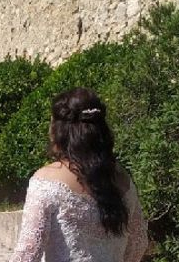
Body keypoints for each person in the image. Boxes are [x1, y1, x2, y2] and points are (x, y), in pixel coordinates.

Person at [10, 88, 148, 262]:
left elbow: (27, 254)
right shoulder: (122, 178)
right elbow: (139, 242)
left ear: (59, 130)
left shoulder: (46, 182)